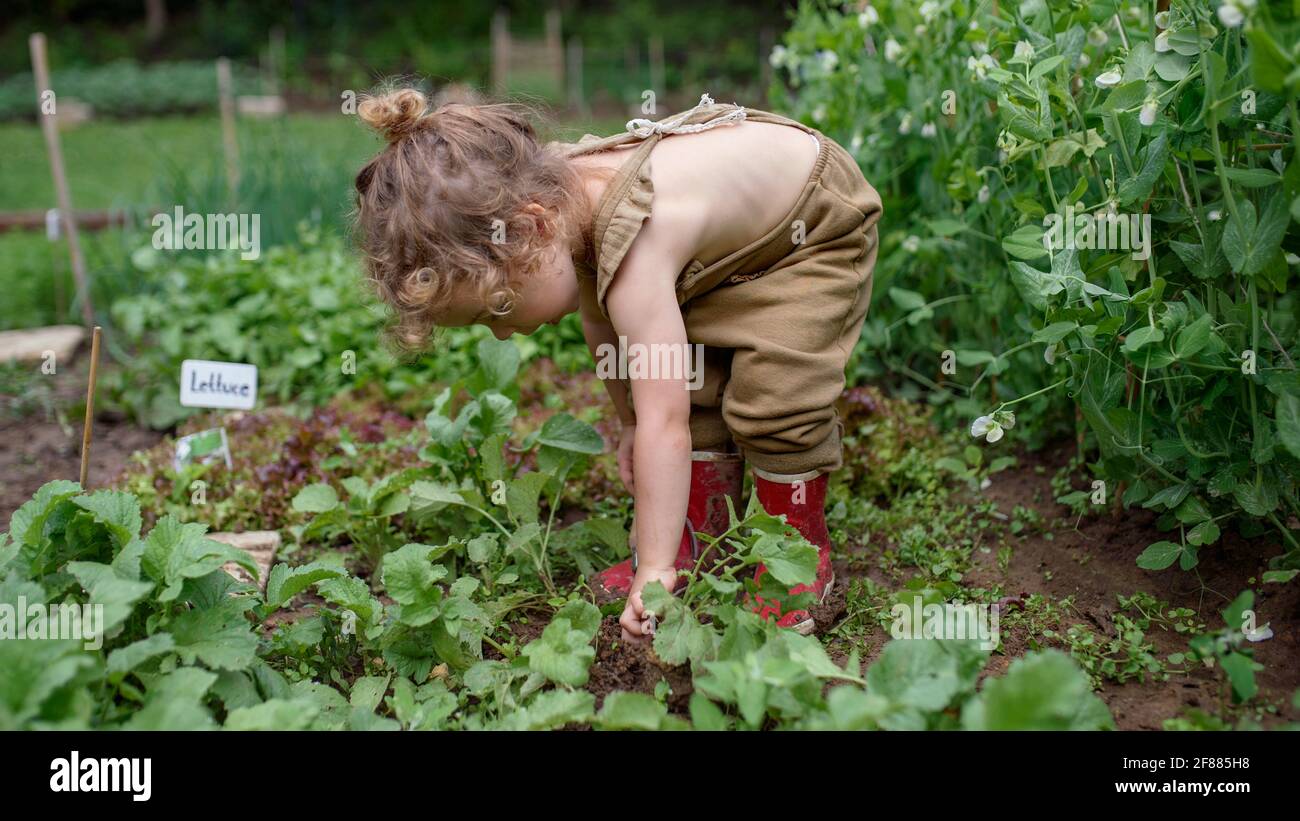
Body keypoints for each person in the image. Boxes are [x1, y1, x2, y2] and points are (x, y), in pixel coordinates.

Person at [352, 88, 882, 643]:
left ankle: (792, 557)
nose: (504, 331)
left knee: (779, 395)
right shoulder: (554, 204)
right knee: (693, 381)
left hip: (810, 224)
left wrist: (649, 574)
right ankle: (694, 540)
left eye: (498, 308)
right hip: (725, 243)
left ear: (531, 230)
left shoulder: (634, 244)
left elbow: (664, 422)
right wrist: (627, 418)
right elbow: (603, 323)